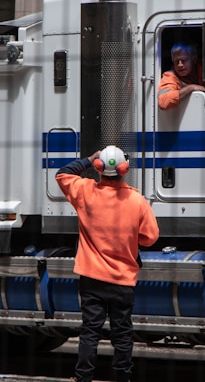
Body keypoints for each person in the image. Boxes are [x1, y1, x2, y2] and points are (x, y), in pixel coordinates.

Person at [55, 145, 159, 382]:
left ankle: (84, 377)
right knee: (122, 333)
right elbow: (150, 237)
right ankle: (122, 377)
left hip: (91, 278)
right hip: (123, 280)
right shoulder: (137, 200)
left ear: (99, 168)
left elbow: (62, 174)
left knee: (90, 331)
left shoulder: (85, 191)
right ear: (125, 169)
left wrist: (89, 160)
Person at [158, 42, 205, 110]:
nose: (180, 65)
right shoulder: (170, 76)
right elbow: (163, 102)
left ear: (194, 59)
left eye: (184, 60)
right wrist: (190, 88)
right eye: (176, 61)